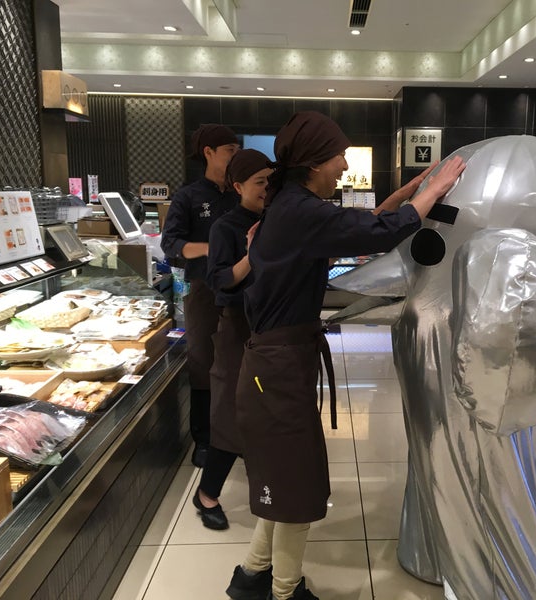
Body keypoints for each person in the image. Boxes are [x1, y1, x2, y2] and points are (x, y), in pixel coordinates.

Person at [224, 111, 466, 600]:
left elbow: (365, 224)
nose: (344, 165)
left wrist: (413, 191)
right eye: (339, 156)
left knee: (285, 478)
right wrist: (434, 192)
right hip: (276, 371)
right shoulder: (298, 211)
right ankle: (285, 592)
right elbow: (379, 233)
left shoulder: (291, 205)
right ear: (315, 162)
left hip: (275, 366)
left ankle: (251, 576)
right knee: (297, 486)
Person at [193, 149, 272, 530]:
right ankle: (207, 493)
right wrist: (252, 254)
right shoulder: (225, 227)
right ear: (238, 186)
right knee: (229, 412)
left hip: (269, 329)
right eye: (259, 182)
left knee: (264, 412)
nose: (267, 188)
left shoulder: (276, 220)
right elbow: (220, 280)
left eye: (270, 180)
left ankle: (267, 489)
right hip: (236, 329)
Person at [161, 124, 241, 467]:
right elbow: (170, 244)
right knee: (203, 363)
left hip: (244, 289)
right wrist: (211, 247)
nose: (235, 156)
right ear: (209, 152)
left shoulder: (242, 191)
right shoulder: (189, 196)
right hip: (204, 290)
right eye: (230, 151)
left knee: (239, 361)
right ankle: (204, 439)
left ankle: (236, 434)